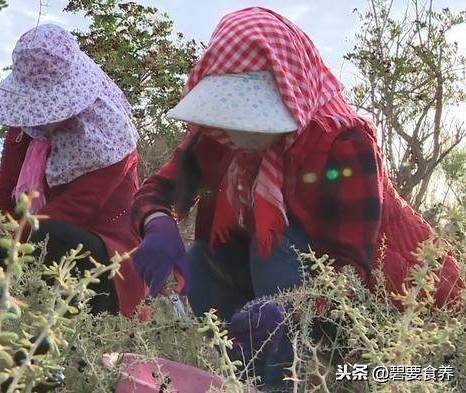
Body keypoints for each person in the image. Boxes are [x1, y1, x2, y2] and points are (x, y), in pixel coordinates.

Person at [130, 7, 463, 390]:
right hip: (286, 286)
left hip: (385, 304)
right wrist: (156, 222)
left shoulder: (344, 143)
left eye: (255, 117)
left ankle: (291, 380)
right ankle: (247, 377)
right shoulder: (220, 135)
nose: (240, 134)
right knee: (201, 264)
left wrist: (287, 309)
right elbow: (160, 190)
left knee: (277, 245)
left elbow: (348, 273)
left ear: (289, 96)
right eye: (234, 116)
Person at [0, 23, 146, 320]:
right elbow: (2, 193)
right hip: (28, 246)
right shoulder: (25, 130)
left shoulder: (110, 142)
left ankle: (71, 335)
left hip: (104, 263)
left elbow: (67, 214)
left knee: (54, 237)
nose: (43, 116)